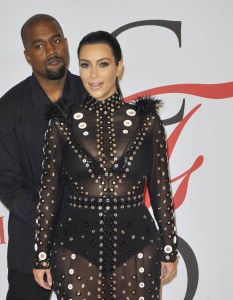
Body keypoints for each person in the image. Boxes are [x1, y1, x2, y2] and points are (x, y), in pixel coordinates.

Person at [33, 31, 178, 299]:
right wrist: (41, 254)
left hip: (139, 250)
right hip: (74, 251)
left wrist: (169, 247)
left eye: (103, 64)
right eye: (85, 65)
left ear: (119, 67)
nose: (93, 75)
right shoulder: (61, 124)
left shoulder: (147, 123)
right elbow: (49, 193)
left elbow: (160, 189)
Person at [0, 14, 85, 300]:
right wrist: (52, 222)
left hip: (93, 239)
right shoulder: (6, 111)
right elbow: (7, 183)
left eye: (56, 40)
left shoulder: (97, 98)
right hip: (31, 242)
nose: (51, 50)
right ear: (28, 55)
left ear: (66, 44)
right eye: (39, 45)